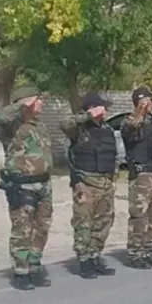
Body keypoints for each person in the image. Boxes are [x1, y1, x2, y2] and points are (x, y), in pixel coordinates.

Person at [0, 86, 54, 290]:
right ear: (27, 102)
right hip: (22, 186)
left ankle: (34, 265)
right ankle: (21, 271)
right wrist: (21, 104)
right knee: (22, 230)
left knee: (42, 228)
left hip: (44, 184)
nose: (42, 104)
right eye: (38, 100)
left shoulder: (40, 125)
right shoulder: (11, 126)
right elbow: (1, 117)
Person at [61, 91, 118, 279]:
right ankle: (84, 260)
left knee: (104, 222)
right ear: (92, 108)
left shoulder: (107, 129)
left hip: (106, 182)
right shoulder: (79, 128)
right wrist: (87, 116)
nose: (106, 110)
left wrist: (113, 177)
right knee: (84, 223)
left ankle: (95, 256)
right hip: (86, 184)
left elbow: (113, 155)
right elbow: (64, 125)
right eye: (102, 106)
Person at [122, 87, 152, 269]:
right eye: (151, 100)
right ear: (142, 102)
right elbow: (132, 128)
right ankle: (135, 254)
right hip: (142, 175)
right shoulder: (130, 121)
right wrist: (139, 111)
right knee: (139, 216)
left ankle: (148, 250)